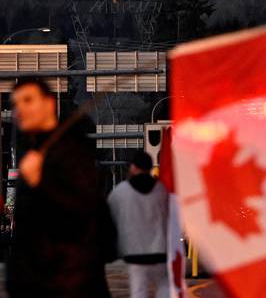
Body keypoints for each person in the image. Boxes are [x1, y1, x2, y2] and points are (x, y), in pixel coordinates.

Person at [6, 78, 114, 297]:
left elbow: (83, 214)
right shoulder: (36, 151)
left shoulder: (72, 152)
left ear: (49, 104)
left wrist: (40, 183)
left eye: (28, 100)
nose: (20, 110)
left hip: (67, 285)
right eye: (15, 104)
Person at [108, 151, 169, 298]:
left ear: (133, 167)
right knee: (164, 287)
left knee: (139, 291)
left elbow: (110, 218)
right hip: (159, 250)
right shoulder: (162, 190)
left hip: (134, 252)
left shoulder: (120, 192)